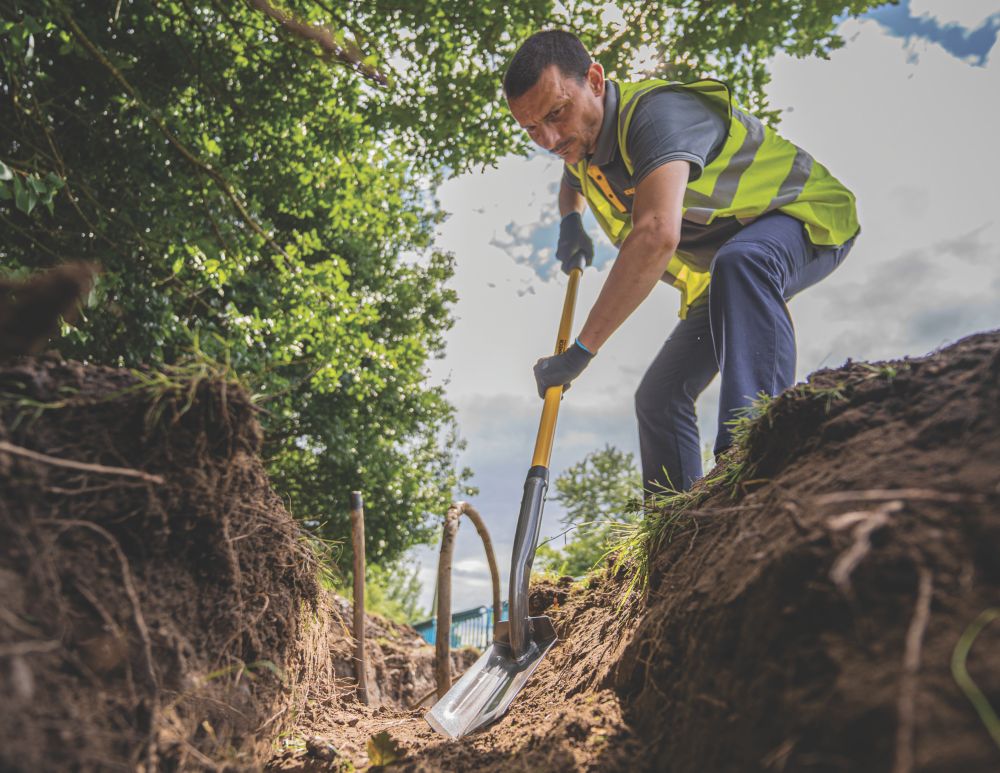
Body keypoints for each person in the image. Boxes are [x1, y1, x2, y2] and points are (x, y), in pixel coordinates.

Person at [504, 30, 859, 494]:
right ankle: (673, 523)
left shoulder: (656, 116)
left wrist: (579, 353)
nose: (548, 138)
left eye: (556, 113)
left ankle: (753, 454)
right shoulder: (580, 141)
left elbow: (655, 235)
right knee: (658, 398)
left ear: (594, 79)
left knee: (742, 262)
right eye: (531, 128)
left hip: (801, 214)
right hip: (729, 268)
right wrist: (570, 221)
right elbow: (571, 174)